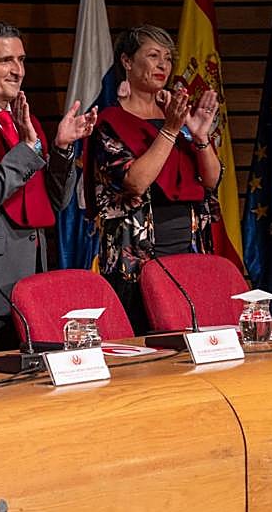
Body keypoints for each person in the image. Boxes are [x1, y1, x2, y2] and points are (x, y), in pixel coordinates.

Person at [0, 21, 97, 350]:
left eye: (21, 60)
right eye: (6, 61)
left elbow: (55, 202)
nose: (18, 71)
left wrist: (62, 149)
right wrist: (26, 150)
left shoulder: (24, 120)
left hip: (33, 281)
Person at [88, 24, 221, 331]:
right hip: (138, 257)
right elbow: (135, 182)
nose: (163, 65)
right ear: (127, 61)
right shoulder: (111, 121)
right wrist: (170, 130)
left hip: (189, 246)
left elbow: (211, 180)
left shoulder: (178, 115)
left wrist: (200, 136)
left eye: (168, 58)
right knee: (147, 341)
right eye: (153, 56)